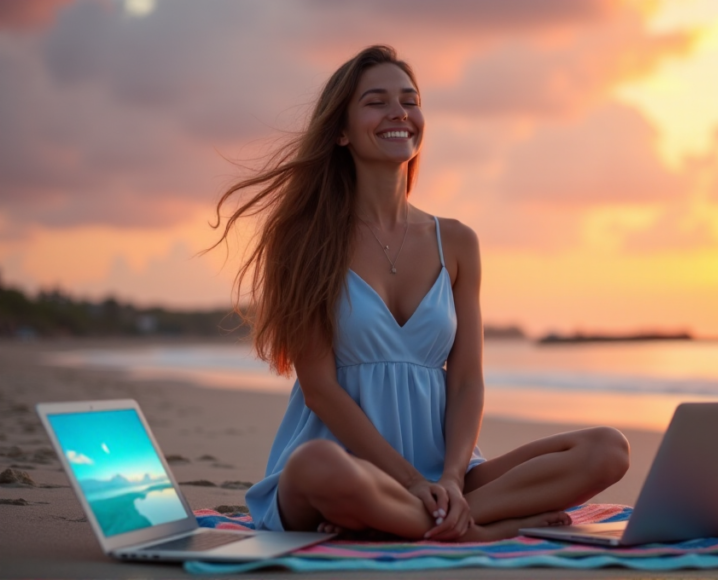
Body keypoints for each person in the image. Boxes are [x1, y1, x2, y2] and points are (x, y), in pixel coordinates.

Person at [209, 45, 630, 542]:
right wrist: (408, 481)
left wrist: (450, 476)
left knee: (608, 449)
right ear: (340, 131)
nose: (399, 113)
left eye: (409, 100)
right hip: (350, 466)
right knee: (315, 465)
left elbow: (468, 380)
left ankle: (435, 518)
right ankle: (484, 527)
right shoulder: (306, 238)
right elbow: (320, 388)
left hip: (442, 472)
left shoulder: (455, 241)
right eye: (376, 101)